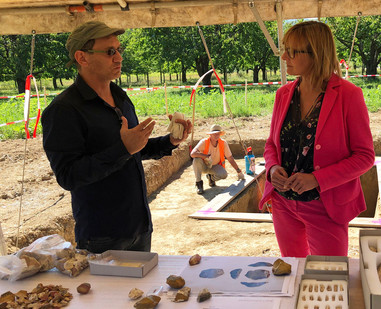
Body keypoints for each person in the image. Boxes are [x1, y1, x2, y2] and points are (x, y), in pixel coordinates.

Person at [41, 21, 192, 253]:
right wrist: (123, 148)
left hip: (139, 226)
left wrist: (169, 142)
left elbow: (134, 150)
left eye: (119, 50)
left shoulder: (119, 96)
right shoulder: (64, 110)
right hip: (103, 236)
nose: (119, 58)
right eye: (110, 52)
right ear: (82, 58)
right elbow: (68, 176)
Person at [257, 21, 375, 258]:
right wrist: (272, 168)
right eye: (284, 49)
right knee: (293, 271)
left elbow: (365, 157)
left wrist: (317, 179)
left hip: (326, 206)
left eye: (292, 51)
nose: (284, 56)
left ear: (316, 53)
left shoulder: (349, 95)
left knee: (329, 275)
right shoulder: (283, 94)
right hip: (283, 204)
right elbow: (271, 144)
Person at [190, 124, 243, 194]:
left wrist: (238, 171)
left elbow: (230, 158)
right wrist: (205, 156)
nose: (216, 136)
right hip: (203, 166)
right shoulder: (204, 142)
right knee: (196, 159)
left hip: (214, 166)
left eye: (218, 134)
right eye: (214, 134)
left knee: (224, 175)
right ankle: (199, 183)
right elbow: (192, 154)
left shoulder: (223, 143)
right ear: (210, 135)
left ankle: (211, 178)